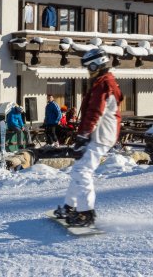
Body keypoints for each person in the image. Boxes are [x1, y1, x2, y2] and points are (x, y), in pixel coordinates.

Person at [55, 48, 122, 227]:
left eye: (89, 67)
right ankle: (70, 206)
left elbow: (95, 112)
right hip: (98, 133)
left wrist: (83, 136)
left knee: (82, 171)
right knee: (78, 169)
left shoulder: (103, 84)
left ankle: (85, 213)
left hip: (100, 135)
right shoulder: (104, 81)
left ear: (96, 65)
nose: (88, 71)